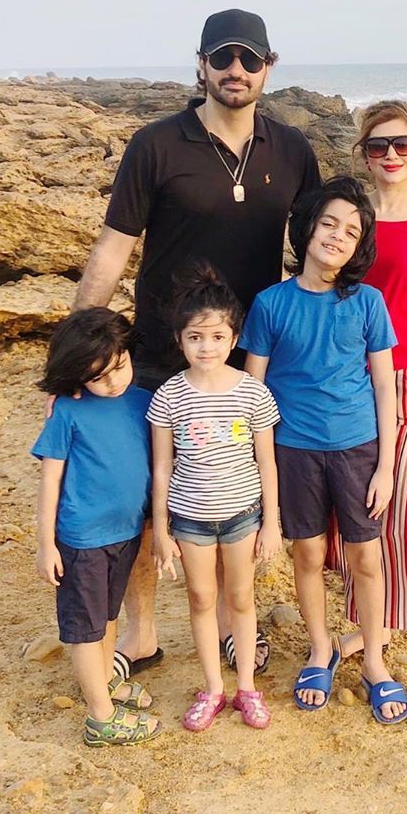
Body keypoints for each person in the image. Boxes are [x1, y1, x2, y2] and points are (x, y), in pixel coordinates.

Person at [74, 9, 319, 679]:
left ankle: (239, 629)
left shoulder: (292, 150)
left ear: (268, 66)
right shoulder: (155, 145)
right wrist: (73, 352)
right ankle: (146, 633)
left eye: (248, 59)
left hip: (250, 358)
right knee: (145, 497)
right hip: (158, 351)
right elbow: (112, 250)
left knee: (239, 490)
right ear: (201, 67)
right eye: (222, 58)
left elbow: (332, 240)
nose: (234, 71)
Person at [241, 176, 407, 724]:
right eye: (330, 223)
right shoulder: (270, 303)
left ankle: (376, 662)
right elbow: (253, 389)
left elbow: (385, 385)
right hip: (294, 451)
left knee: (367, 557)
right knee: (308, 554)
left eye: (353, 231)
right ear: (308, 228)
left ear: (361, 247)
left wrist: (386, 465)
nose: (338, 236)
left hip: (358, 448)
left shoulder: (368, 303)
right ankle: (320, 649)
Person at [331, 100, 407, 735]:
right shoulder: (349, 225)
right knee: (350, 520)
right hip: (342, 386)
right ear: (363, 154)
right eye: (377, 147)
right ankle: (369, 629)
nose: (389, 157)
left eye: (401, 145)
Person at [148, 265, 282, 731]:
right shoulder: (168, 396)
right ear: (180, 340)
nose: (206, 347)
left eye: (217, 336)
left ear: (233, 337)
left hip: (244, 516)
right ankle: (213, 687)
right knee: (202, 598)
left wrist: (273, 523)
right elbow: (162, 466)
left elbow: (267, 462)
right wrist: (162, 532)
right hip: (190, 520)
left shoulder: (253, 392)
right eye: (195, 337)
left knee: (241, 598)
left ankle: (247, 685)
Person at [31, 308, 161, 747]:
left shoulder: (141, 399)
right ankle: (101, 717)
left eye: (119, 367)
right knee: (85, 627)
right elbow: (50, 478)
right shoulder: (68, 411)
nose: (113, 382)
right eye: (99, 377)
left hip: (125, 533)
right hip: (82, 539)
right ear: (76, 376)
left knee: (107, 617)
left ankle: (107, 683)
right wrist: (45, 543)